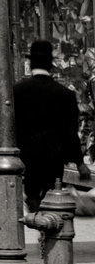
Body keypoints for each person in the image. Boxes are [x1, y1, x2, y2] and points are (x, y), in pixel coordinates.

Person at [14, 38, 89, 212]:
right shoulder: (65, 94)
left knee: (32, 195)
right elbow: (71, 132)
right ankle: (47, 230)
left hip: (28, 158)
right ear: (51, 65)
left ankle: (36, 215)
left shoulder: (18, 91)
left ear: (31, 63)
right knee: (53, 198)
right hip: (54, 159)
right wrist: (79, 163)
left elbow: (12, 127)